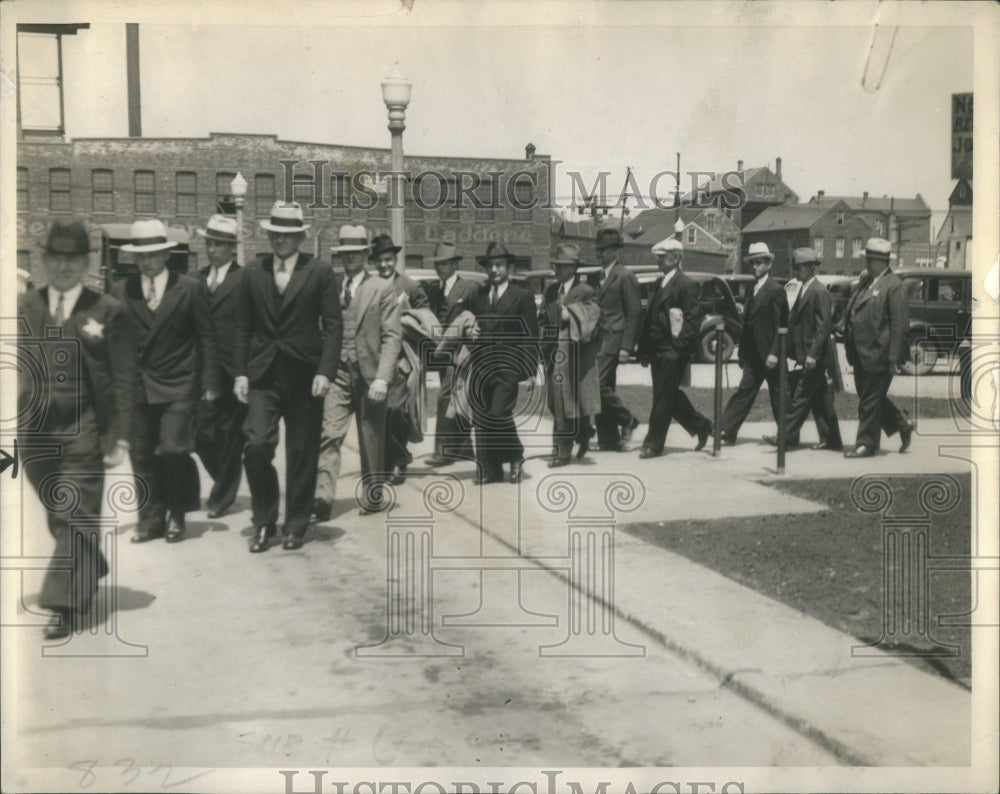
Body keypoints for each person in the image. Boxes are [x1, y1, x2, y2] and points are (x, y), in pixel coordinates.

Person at [17, 219, 133, 639]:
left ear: (86, 262)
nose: (64, 267)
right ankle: (90, 565)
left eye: (73, 259)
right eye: (56, 258)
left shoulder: (107, 309)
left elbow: (123, 377)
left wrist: (119, 434)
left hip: (84, 426)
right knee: (61, 515)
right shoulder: (27, 305)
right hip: (36, 435)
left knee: (74, 515)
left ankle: (61, 607)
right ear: (45, 260)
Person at [234, 201, 341, 552]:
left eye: (288, 235)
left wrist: (326, 371)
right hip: (263, 375)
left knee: (301, 452)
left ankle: (295, 524)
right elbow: (243, 325)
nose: (280, 240)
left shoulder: (320, 272)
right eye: (275, 234)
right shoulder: (253, 271)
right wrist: (240, 372)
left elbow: (334, 325)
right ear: (269, 235)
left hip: (304, 376)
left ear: (299, 238)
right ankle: (264, 521)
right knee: (256, 445)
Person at [113, 219, 219, 544]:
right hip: (139, 386)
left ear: (166, 255)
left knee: (173, 449)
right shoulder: (121, 291)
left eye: (153, 254)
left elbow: (207, 338)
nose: (146, 261)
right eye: (140, 256)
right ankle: (150, 519)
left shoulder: (188, 288)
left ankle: (177, 512)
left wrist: (210, 383)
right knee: (141, 455)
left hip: (179, 383)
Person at [313, 225, 401, 517]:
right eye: (345, 253)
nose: (350, 258)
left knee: (370, 437)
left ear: (365, 255)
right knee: (329, 434)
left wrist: (382, 378)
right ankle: (323, 499)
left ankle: (373, 494)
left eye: (356, 253)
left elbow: (392, 336)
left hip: (370, 375)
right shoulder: (332, 286)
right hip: (338, 372)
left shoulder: (382, 288)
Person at [467, 242, 539, 484]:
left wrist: (530, 371)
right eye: (490, 265)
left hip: (507, 369)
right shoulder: (477, 295)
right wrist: (469, 330)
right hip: (480, 368)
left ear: (508, 267)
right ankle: (490, 468)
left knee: (498, 414)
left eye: (499, 265)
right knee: (481, 418)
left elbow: (530, 335)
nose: (494, 270)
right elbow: (463, 320)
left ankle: (515, 456)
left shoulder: (523, 296)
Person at [635, 237, 713, 458]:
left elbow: (692, 320)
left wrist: (677, 348)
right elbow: (650, 317)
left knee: (662, 397)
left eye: (663, 256)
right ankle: (701, 425)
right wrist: (644, 351)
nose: (659, 259)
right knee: (667, 395)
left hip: (673, 351)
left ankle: (654, 443)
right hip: (657, 351)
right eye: (658, 256)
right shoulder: (660, 283)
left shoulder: (685, 284)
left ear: (676, 258)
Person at [194, 215, 246, 519]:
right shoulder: (196, 279)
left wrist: (245, 370)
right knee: (201, 434)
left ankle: (222, 497)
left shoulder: (245, 279)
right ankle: (226, 481)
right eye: (208, 243)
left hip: (235, 369)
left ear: (231, 248)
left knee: (230, 435)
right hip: (203, 370)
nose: (211, 249)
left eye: (218, 244)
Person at [842, 237, 913, 458]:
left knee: (869, 402)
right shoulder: (867, 282)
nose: (866, 264)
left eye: (870, 260)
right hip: (861, 354)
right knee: (870, 398)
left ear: (882, 261)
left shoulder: (894, 285)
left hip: (879, 354)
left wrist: (893, 359)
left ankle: (866, 444)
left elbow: (899, 325)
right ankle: (902, 424)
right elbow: (854, 309)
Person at [765, 247, 841, 450]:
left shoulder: (819, 291)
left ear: (810, 268)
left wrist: (812, 354)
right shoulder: (805, 288)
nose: (795, 271)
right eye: (794, 267)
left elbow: (823, 328)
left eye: (798, 268)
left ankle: (785, 437)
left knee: (800, 396)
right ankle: (831, 439)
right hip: (806, 354)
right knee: (820, 398)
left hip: (813, 356)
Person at [370, 233, 430, 485]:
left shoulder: (409, 286)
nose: (384, 265)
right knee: (379, 414)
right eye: (379, 261)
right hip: (375, 360)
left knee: (397, 411)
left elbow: (426, 316)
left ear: (395, 259)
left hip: (402, 360)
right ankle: (386, 461)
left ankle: (399, 460)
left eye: (388, 259)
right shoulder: (369, 286)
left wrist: (407, 316)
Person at [538, 243, 601, 467]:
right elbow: (543, 318)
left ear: (574, 268)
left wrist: (570, 314)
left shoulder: (586, 290)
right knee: (557, 403)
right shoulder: (551, 290)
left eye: (564, 266)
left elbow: (592, 316)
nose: (559, 270)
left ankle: (561, 453)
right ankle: (584, 432)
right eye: (557, 265)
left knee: (566, 403)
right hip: (554, 353)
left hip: (576, 357)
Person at [720, 242, 786, 445]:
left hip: (770, 354)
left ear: (768, 264)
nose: (755, 267)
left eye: (759, 263)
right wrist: (742, 353)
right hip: (752, 355)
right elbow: (747, 324)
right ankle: (726, 430)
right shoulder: (752, 288)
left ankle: (787, 435)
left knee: (779, 396)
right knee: (744, 392)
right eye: (752, 263)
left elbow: (782, 325)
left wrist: (775, 353)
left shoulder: (775, 290)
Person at [423, 241, 479, 467]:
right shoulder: (432, 290)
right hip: (440, 352)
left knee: (446, 396)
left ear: (455, 264)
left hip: (461, 352)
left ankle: (444, 451)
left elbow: (479, 314)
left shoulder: (469, 288)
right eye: (438, 264)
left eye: (445, 264)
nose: (441, 268)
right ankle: (465, 448)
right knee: (458, 398)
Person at [593, 228, 641, 451]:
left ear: (614, 252)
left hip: (614, 340)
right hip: (599, 340)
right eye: (599, 250)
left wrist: (626, 347)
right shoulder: (599, 276)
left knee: (598, 385)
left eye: (605, 250)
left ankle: (628, 419)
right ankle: (608, 438)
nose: (601, 254)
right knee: (606, 387)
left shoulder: (625, 276)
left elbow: (633, 314)